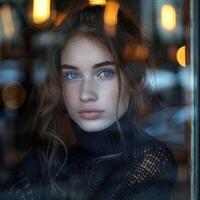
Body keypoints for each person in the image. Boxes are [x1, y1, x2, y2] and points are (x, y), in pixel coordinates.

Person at [1, 1, 177, 200]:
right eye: (72, 75)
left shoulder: (149, 160)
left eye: (104, 73)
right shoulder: (39, 166)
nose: (86, 93)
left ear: (132, 79)